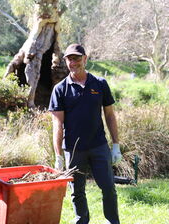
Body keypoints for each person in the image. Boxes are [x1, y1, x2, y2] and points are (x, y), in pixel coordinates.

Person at [49, 44, 122, 224]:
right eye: (69, 59)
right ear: (66, 61)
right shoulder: (60, 89)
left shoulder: (99, 84)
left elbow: (110, 115)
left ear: (85, 59)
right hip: (74, 150)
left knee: (108, 188)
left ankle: (113, 221)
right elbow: (57, 124)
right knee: (77, 191)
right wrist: (58, 155)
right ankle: (81, 220)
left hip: (98, 146)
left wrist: (115, 145)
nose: (73, 62)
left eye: (77, 58)